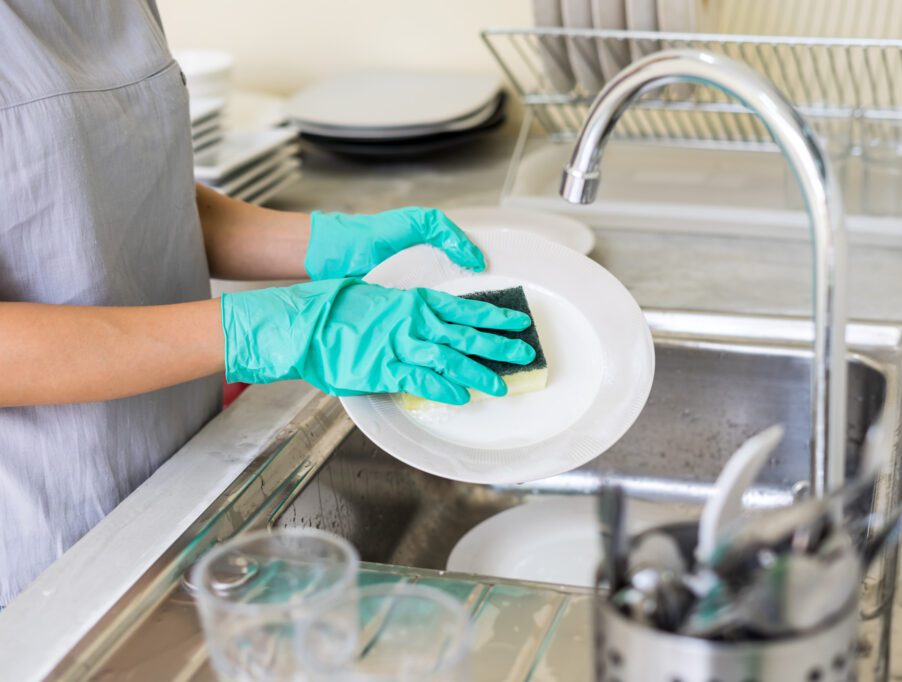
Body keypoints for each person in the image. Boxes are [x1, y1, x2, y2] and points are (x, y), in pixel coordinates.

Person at [0, 1, 532, 606]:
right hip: (41, 543)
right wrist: (263, 330)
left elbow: (119, 199)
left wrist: (326, 243)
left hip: (180, 476)